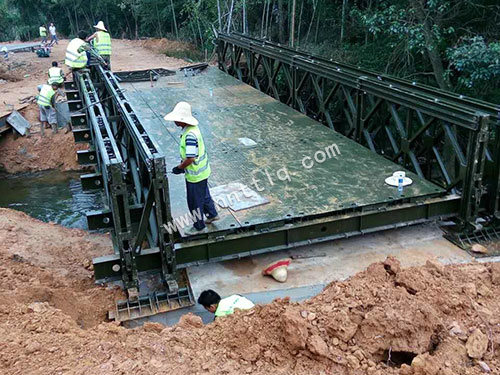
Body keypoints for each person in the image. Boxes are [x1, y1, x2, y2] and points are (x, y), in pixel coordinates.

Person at [164, 102, 219, 234]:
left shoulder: (189, 135)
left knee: (194, 202)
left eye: (177, 119)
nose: (175, 121)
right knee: (204, 195)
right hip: (203, 172)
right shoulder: (193, 128)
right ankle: (212, 214)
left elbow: (190, 158)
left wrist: (179, 167)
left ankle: (199, 227)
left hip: (195, 175)